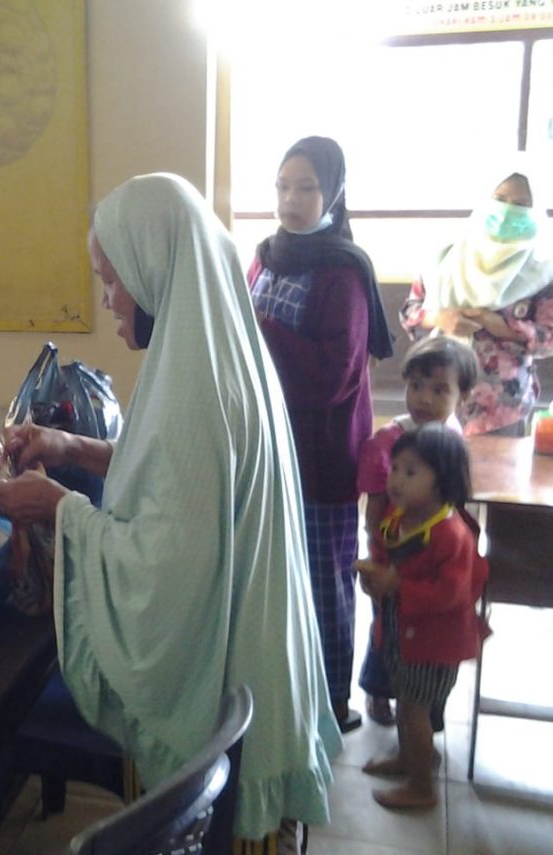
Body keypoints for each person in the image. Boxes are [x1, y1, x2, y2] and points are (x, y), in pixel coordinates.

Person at [0, 173, 341, 847]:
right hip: (264, 664)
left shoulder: (193, 392)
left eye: (112, 279)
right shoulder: (214, 353)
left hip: (224, 692)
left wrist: (59, 507)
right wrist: (74, 446)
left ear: (153, 269)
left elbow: (164, 570)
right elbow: (180, 482)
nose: (107, 299)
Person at [247, 136, 393, 734]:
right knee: (276, 580)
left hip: (321, 457)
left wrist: (262, 329)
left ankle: (333, 701)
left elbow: (333, 379)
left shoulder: (343, 273)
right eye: (283, 186)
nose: (291, 200)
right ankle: (283, 690)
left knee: (325, 584)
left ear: (331, 192)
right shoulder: (263, 256)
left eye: (306, 188)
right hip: (266, 450)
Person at [355, 424, 489, 809]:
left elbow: (451, 594)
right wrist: (374, 578)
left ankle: (422, 788)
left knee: (415, 710)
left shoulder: (451, 533)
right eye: (395, 467)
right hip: (402, 634)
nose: (396, 479)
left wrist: (394, 585)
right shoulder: (400, 516)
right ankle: (407, 758)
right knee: (404, 700)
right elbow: (385, 551)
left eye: (411, 472)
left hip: (434, 644)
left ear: (441, 479)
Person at [356, 336, 477, 726]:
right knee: (387, 628)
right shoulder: (390, 440)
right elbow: (375, 503)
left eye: (440, 389)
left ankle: (424, 711)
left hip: (435, 553)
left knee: (428, 633)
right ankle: (380, 692)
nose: (424, 399)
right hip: (395, 551)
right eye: (416, 386)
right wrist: (379, 551)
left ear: (463, 396)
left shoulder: (454, 439)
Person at [401, 166, 553, 437]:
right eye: (500, 199)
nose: (508, 211)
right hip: (433, 399)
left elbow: (549, 338)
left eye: (521, 205)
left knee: (495, 479)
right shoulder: (446, 255)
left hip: (500, 408)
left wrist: (499, 325)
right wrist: (440, 318)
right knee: (434, 477)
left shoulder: (544, 269)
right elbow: (410, 311)